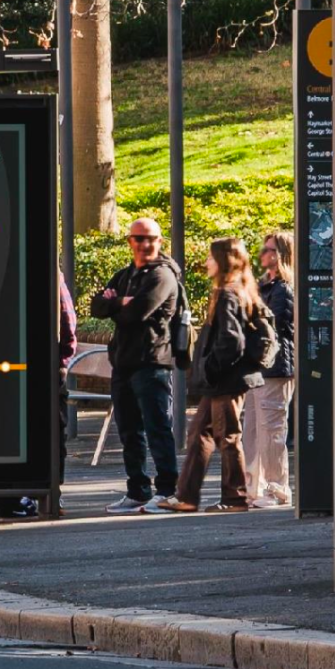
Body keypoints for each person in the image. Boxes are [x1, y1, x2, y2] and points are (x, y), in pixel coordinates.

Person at [167, 237, 277, 514]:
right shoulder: (240, 289)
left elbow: (231, 341)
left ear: (224, 261)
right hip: (223, 380)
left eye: (211, 258)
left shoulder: (228, 293)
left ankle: (235, 497)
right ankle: (187, 496)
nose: (206, 262)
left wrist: (210, 370)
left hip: (225, 381)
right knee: (199, 433)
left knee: (227, 436)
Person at [90, 217, 185, 515]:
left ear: (160, 241)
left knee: (157, 427)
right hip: (124, 363)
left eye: (151, 239)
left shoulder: (163, 276)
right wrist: (121, 302)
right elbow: (96, 307)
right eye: (139, 238)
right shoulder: (125, 274)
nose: (145, 244)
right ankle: (138, 490)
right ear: (130, 241)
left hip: (152, 361)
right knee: (129, 430)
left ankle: (168, 490)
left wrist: (115, 304)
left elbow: (138, 313)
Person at [244, 230, 297, 508]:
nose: (263, 254)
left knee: (272, 429)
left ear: (281, 255)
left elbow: (280, 329)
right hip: (257, 368)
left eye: (268, 250)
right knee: (252, 429)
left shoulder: (284, 289)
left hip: (275, 367)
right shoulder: (264, 286)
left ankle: (278, 489)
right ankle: (255, 486)